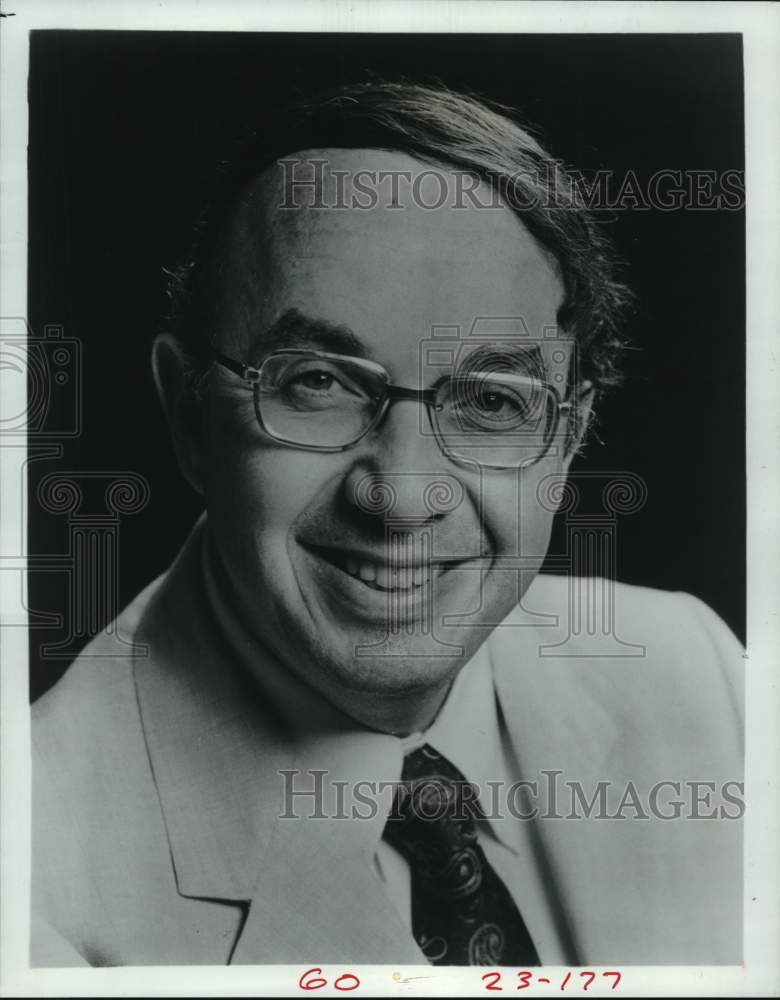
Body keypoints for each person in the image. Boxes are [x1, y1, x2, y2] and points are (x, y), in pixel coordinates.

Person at [31, 81, 743, 968]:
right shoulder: (35, 893)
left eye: (491, 399)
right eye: (318, 381)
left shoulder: (705, 683)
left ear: (567, 440)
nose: (403, 495)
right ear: (188, 417)